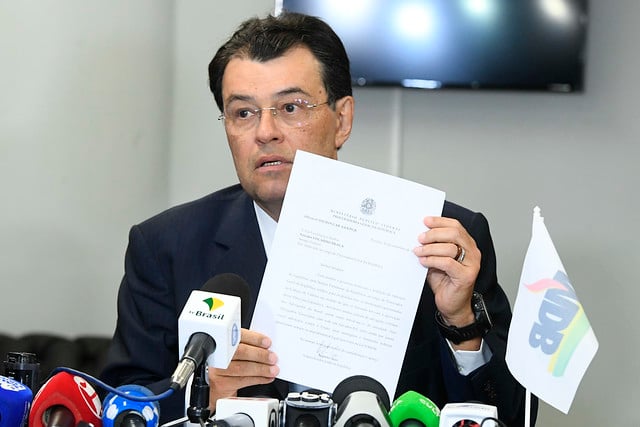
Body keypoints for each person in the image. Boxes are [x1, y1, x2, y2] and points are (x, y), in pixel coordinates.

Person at [100, 11, 536, 426]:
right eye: (243, 112)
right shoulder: (165, 246)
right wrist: (205, 390)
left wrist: (462, 325)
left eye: (290, 108)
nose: (265, 132)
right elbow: (121, 403)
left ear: (342, 119)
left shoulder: (443, 240)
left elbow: (516, 416)